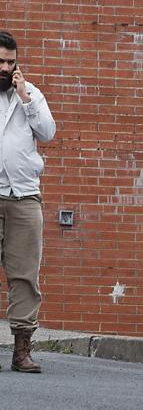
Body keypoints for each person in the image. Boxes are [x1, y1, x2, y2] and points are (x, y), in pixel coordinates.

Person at [0, 31, 57, 373]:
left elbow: (48, 133)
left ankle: (21, 351)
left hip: (23, 197)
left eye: (10, 61)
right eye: (0, 61)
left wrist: (26, 99)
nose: (5, 68)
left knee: (24, 277)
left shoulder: (30, 93)